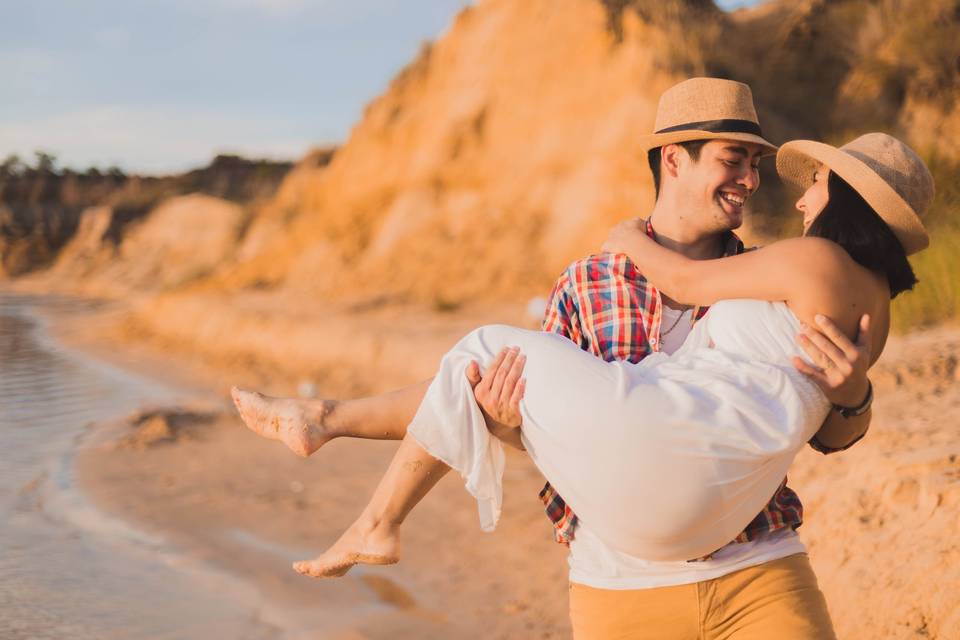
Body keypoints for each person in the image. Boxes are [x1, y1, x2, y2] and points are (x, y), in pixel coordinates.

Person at [231, 86, 931, 639]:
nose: (756, 181)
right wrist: (504, 424)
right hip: (619, 586)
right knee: (481, 373)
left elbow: (834, 432)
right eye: (734, 159)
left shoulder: (771, 272)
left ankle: (335, 441)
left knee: (479, 347)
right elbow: (566, 442)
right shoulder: (587, 286)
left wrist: (854, 395)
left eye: (758, 164)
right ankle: (327, 430)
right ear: (674, 159)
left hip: (757, 569)